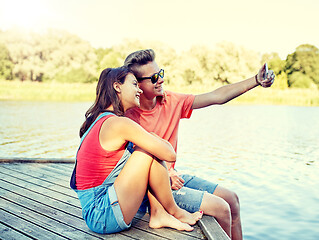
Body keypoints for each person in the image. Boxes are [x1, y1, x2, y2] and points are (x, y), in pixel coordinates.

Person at [124, 49, 275, 240]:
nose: (160, 80)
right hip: (149, 192)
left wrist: (256, 80)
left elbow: (216, 96)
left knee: (232, 199)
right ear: (137, 84)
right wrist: (164, 176)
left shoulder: (171, 101)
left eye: (160, 73)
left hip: (173, 178)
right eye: (154, 78)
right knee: (221, 209)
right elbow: (128, 167)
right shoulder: (127, 115)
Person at [69, 66, 202, 234]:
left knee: (148, 144)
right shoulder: (118, 123)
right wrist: (155, 138)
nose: (139, 90)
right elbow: (169, 154)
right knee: (147, 149)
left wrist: (153, 138)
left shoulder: (101, 119)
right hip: (102, 214)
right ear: (117, 87)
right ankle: (173, 211)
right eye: (134, 84)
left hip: (98, 210)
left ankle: (159, 213)